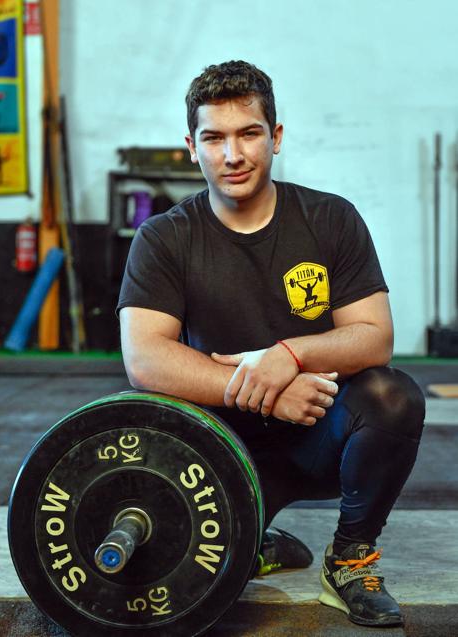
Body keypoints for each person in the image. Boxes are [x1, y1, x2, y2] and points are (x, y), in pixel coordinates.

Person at [117, 60, 425, 628]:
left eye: (248, 133)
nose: (231, 155)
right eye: (214, 138)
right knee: (181, 577)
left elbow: (375, 335)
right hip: (215, 446)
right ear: (191, 146)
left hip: (317, 431)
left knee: (392, 396)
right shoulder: (164, 237)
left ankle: (351, 559)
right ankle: (256, 536)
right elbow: (144, 357)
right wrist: (262, 392)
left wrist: (288, 357)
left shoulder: (330, 219)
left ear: (275, 137)